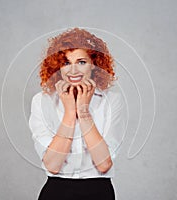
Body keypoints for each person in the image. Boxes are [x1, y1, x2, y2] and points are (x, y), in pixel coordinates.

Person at [29, 27, 126, 200]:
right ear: (58, 67)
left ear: (94, 65)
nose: (73, 71)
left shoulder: (112, 101)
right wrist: (70, 112)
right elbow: (52, 165)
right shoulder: (42, 101)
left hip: (99, 192)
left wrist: (83, 112)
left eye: (81, 62)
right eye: (66, 63)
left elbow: (103, 164)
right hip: (56, 191)